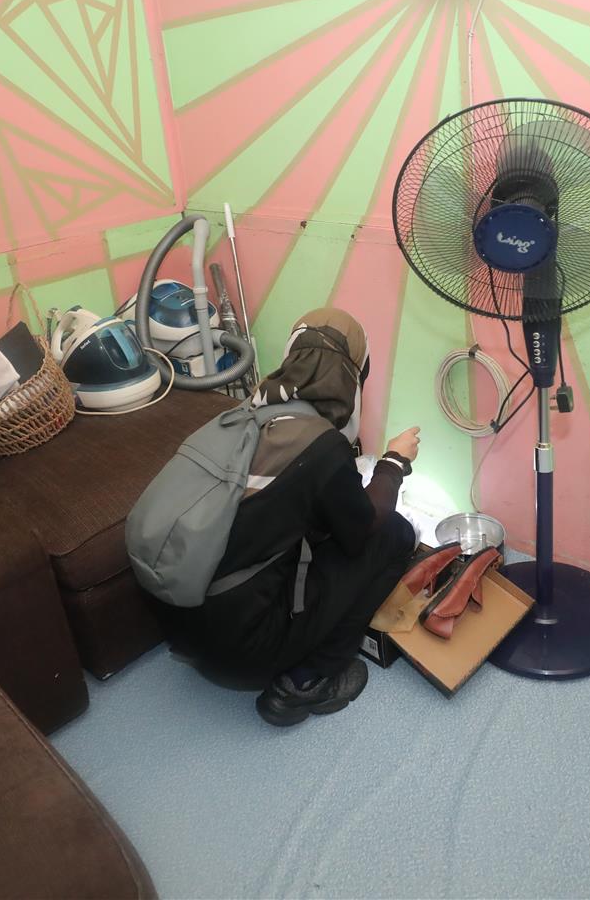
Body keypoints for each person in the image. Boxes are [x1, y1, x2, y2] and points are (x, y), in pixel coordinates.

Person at [164, 307, 419, 726]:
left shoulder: (239, 417)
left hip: (182, 631)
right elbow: (361, 530)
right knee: (394, 534)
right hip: (242, 654)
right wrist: (393, 463)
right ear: (353, 375)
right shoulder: (320, 447)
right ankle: (305, 682)